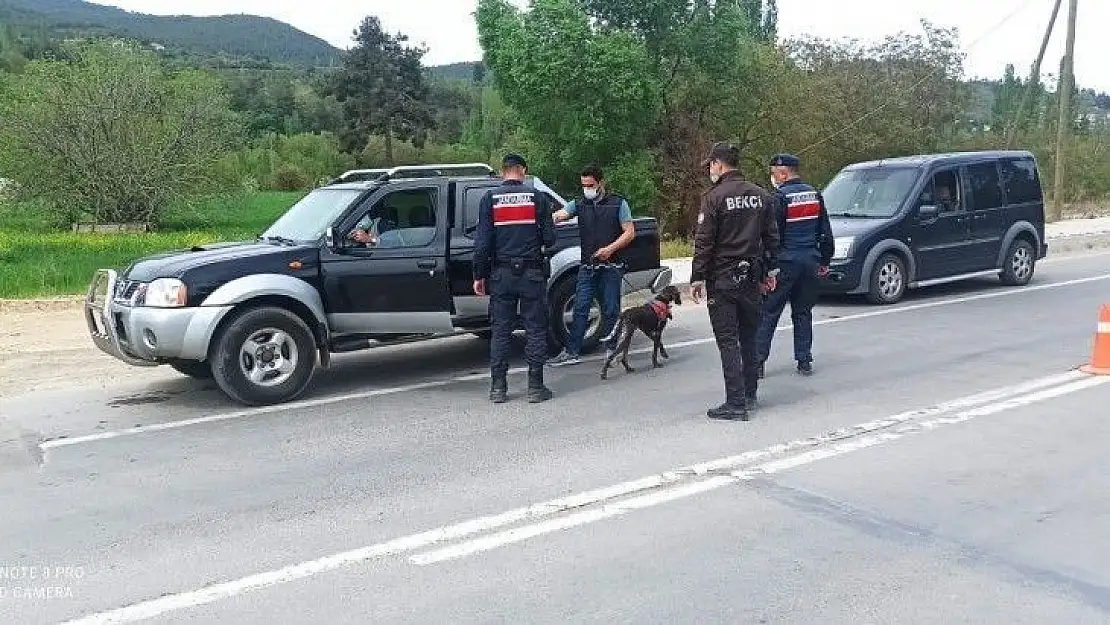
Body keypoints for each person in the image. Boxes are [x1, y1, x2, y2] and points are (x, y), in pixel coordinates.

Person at [690, 142, 780, 421]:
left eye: (710, 165)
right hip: (752, 276)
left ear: (718, 163)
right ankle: (750, 394)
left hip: (724, 278)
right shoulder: (760, 194)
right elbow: (772, 239)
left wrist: (697, 276)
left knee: (728, 340)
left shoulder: (714, 197)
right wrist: (770, 273)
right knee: (749, 337)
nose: (709, 170)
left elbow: (704, 241)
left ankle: (735, 402)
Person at [472, 153, 558, 403]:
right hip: (531, 274)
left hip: (501, 275)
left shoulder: (490, 199)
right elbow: (551, 240)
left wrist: (479, 275)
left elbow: (483, 243)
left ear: (502, 172)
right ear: (523, 170)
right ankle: (535, 387)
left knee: (500, 331)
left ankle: (498, 389)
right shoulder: (537, 197)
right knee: (535, 329)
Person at [546, 164, 636, 366]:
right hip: (588, 266)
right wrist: (544, 218)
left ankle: (611, 349)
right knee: (580, 308)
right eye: (584, 185)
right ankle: (572, 352)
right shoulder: (579, 204)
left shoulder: (618, 204)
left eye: (590, 185)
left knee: (611, 309)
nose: (587, 189)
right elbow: (559, 215)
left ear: (600, 183)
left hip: (611, 266)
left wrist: (610, 249)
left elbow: (629, 232)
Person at [754, 153, 834, 378]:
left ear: (783, 173)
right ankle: (804, 360)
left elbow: (771, 236)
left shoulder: (780, 198)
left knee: (769, 312)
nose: (773, 178)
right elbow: (825, 232)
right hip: (810, 262)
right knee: (803, 312)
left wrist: (765, 269)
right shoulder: (815, 194)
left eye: (773, 174)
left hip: (785, 263)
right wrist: (825, 261)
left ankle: (758, 362)